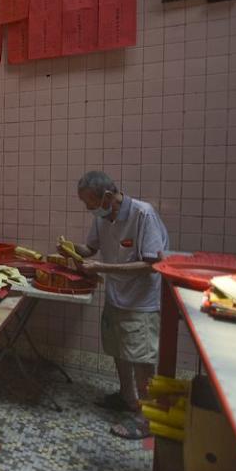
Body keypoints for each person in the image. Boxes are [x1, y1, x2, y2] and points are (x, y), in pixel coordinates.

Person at [63, 171, 169, 439]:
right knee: (118, 348)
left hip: (142, 301)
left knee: (142, 358)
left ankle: (147, 418)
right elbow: (90, 249)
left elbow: (152, 264)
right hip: (116, 296)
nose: (90, 210)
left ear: (108, 196)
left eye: (91, 204)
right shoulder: (103, 218)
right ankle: (126, 397)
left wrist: (102, 267)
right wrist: (71, 250)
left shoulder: (143, 215)